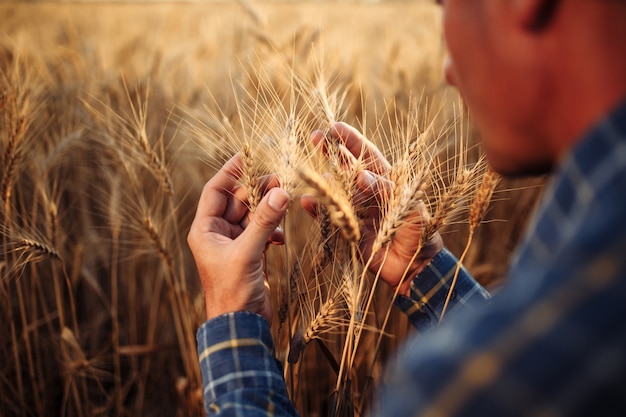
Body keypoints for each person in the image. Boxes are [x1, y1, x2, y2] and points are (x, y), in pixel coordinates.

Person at [187, 0, 626, 415]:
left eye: (444, 5)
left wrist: (233, 320)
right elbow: (539, 364)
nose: (447, 70)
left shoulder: (444, 389)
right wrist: (425, 271)